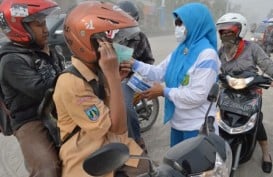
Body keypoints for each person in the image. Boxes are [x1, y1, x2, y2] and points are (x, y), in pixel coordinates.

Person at [52, 1, 148, 177]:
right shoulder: (72, 83)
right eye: (110, 43)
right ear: (91, 44)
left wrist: (114, 79)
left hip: (106, 146)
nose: (117, 49)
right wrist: (113, 78)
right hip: (86, 158)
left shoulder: (95, 71)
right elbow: (118, 128)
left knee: (147, 166)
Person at [121, 2, 220, 147]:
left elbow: (198, 95)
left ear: (196, 23)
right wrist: (134, 64)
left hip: (196, 126)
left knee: (193, 168)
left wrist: (163, 92)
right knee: (177, 167)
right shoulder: (181, 50)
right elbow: (159, 72)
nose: (178, 27)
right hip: (178, 123)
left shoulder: (207, 55)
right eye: (176, 23)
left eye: (181, 23)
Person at [0, 0, 63, 176]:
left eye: (44, 23)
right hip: (30, 119)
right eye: (38, 24)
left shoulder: (48, 49)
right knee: (48, 168)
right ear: (19, 27)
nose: (45, 29)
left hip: (57, 111)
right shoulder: (11, 61)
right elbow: (42, 90)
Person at [216, 12, 273, 173]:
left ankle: (266, 154)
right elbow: (214, 70)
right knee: (219, 120)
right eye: (222, 31)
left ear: (240, 30)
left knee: (256, 122)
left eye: (229, 31)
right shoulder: (221, 52)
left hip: (251, 94)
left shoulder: (253, 48)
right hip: (228, 93)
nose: (225, 34)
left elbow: (268, 66)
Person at [116, 0, 155, 152]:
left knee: (125, 106)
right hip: (113, 76)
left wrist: (135, 66)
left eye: (129, 18)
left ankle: (138, 141)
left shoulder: (140, 37)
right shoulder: (109, 35)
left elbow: (150, 60)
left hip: (132, 78)